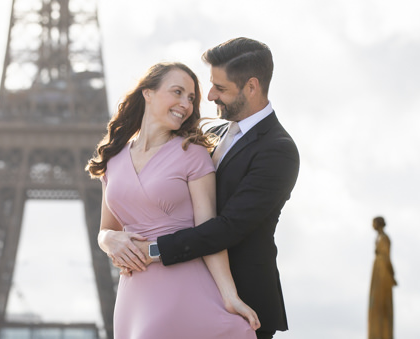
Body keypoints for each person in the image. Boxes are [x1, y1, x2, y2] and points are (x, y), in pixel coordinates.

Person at [99, 37, 300, 339]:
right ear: (147, 93)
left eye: (220, 88)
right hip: (146, 289)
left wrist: (150, 250)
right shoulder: (206, 134)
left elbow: (226, 228)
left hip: (241, 297)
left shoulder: (278, 150)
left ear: (251, 87)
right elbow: (111, 223)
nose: (209, 95)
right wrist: (109, 240)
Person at [86, 62, 259, 338]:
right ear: (148, 92)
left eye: (191, 98)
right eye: (177, 92)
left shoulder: (192, 154)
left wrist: (229, 295)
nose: (186, 104)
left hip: (181, 286)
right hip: (133, 295)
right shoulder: (114, 158)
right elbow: (106, 229)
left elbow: (209, 231)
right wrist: (107, 240)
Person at [368, 216, 397, 339]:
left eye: (373, 223)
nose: (372, 225)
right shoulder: (378, 238)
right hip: (377, 269)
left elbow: (387, 257)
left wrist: (392, 274)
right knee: (375, 303)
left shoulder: (385, 239)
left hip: (382, 271)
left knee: (382, 302)